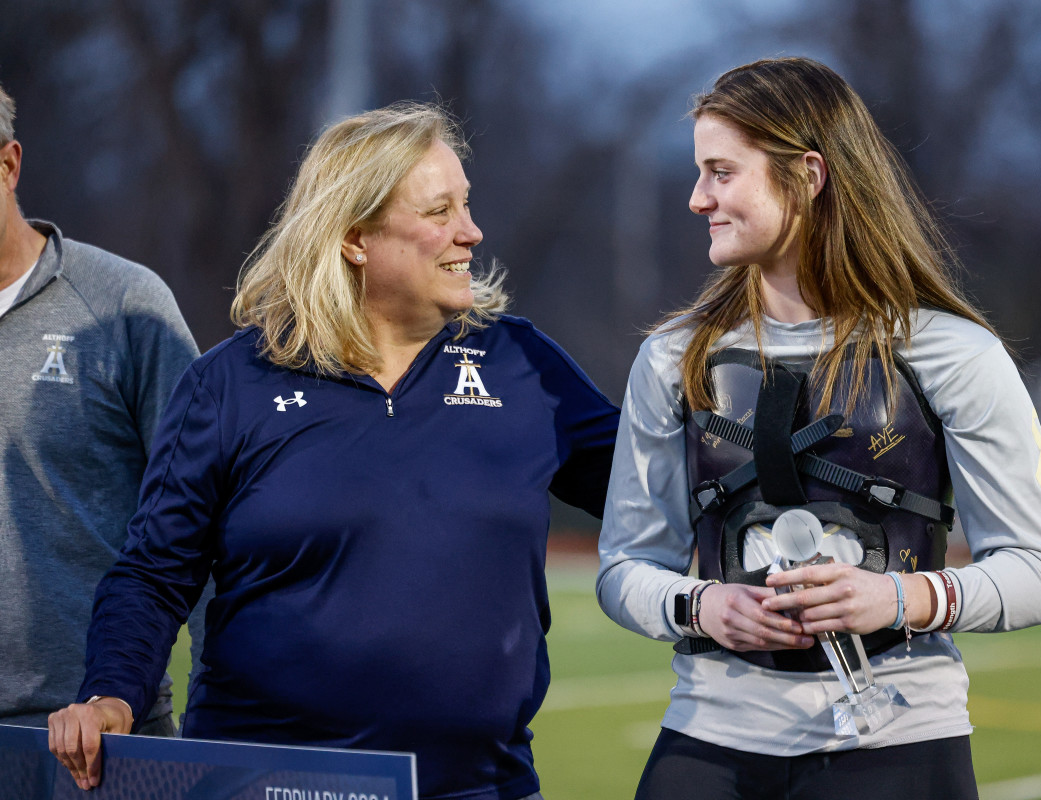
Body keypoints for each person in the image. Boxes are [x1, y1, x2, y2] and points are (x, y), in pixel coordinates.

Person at [46, 101, 619, 800]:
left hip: (480, 786)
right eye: (439, 212)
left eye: (465, 205)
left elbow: (658, 492)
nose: (470, 232)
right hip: (263, 783)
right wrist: (113, 692)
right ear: (355, 238)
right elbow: (154, 573)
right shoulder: (232, 383)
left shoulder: (525, 366)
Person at [597, 57, 1041, 799]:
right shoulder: (671, 358)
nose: (697, 199)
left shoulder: (954, 352)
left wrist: (901, 600)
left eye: (721, 172)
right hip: (710, 738)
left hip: (903, 742)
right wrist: (703, 605)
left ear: (807, 175)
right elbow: (623, 566)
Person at [0, 83, 200, 736]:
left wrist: (236, 724)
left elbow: (210, 515)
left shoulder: (122, 306)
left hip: (96, 741)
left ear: (8, 165)